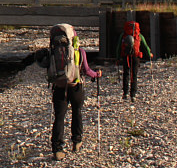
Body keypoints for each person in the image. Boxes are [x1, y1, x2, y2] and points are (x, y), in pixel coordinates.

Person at [34, 23, 102, 160]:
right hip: (76, 86)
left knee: (59, 117)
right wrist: (96, 74)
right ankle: (77, 141)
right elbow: (86, 70)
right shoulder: (79, 51)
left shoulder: (52, 51)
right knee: (77, 113)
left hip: (59, 87)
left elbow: (43, 64)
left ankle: (57, 149)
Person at [116, 20, 153, 101]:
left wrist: (118, 58)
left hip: (126, 56)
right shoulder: (139, 35)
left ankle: (125, 93)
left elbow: (118, 47)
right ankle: (133, 94)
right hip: (135, 57)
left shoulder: (123, 35)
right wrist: (149, 54)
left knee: (126, 73)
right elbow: (145, 46)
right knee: (134, 75)